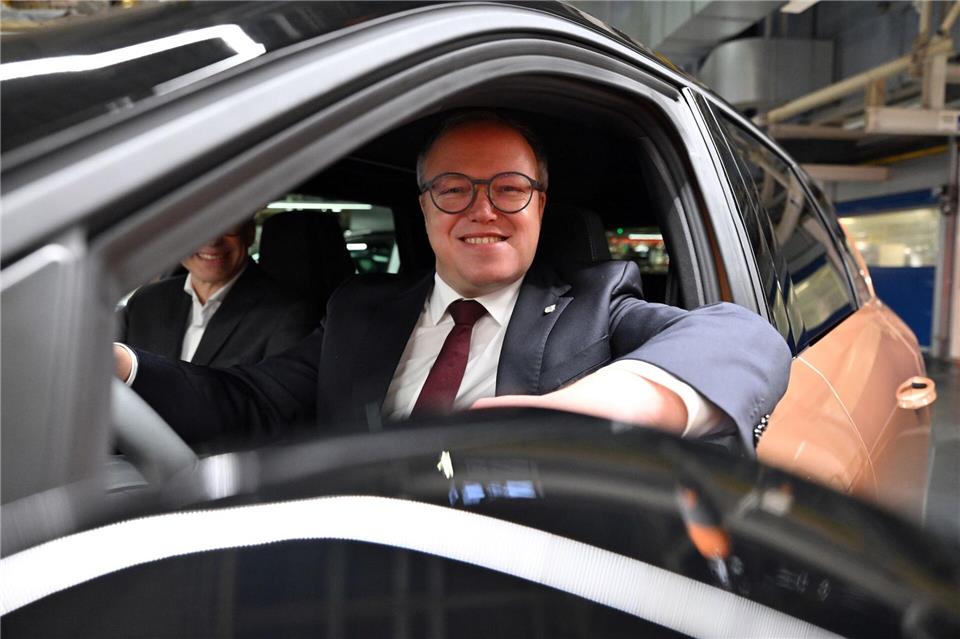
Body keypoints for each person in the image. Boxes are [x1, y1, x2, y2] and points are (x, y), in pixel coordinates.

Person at [115, 111, 791, 452]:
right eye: (455, 190)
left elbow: (743, 338)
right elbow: (247, 401)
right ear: (424, 208)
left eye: (509, 189)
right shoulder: (358, 314)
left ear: (541, 205)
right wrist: (118, 366)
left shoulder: (595, 304)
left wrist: (594, 410)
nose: (483, 210)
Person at [117, 220, 316, 368]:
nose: (212, 240)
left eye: (229, 224)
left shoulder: (288, 312)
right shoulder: (145, 302)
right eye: (197, 226)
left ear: (250, 232)